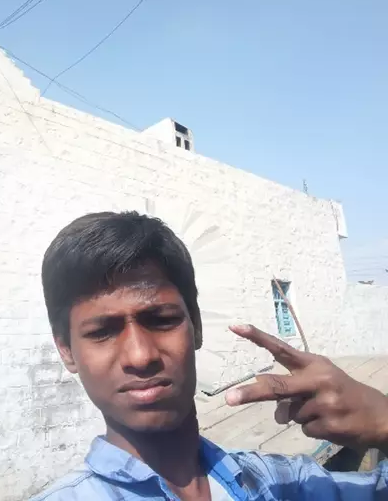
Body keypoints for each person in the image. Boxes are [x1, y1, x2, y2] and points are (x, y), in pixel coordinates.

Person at [33, 211, 388, 500]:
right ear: (67, 351)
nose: (140, 356)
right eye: (102, 332)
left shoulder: (279, 483)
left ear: (197, 327)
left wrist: (384, 421)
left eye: (162, 320)